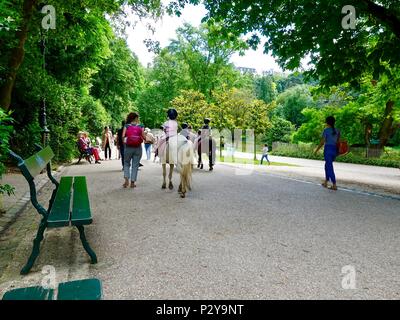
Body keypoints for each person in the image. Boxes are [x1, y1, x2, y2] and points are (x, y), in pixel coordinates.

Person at [315, 116, 340, 191]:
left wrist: (316, 150)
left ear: (327, 122)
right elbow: (338, 142)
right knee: (327, 165)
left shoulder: (326, 130)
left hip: (328, 149)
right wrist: (337, 152)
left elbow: (322, 142)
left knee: (329, 167)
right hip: (334, 150)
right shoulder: (337, 130)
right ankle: (326, 182)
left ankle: (334, 184)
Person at [122, 112, 146, 188]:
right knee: (135, 165)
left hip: (128, 147)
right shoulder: (141, 126)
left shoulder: (126, 126)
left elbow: (123, 136)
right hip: (138, 148)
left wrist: (125, 142)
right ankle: (132, 182)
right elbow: (144, 137)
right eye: (138, 117)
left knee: (126, 163)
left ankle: (126, 181)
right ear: (135, 118)